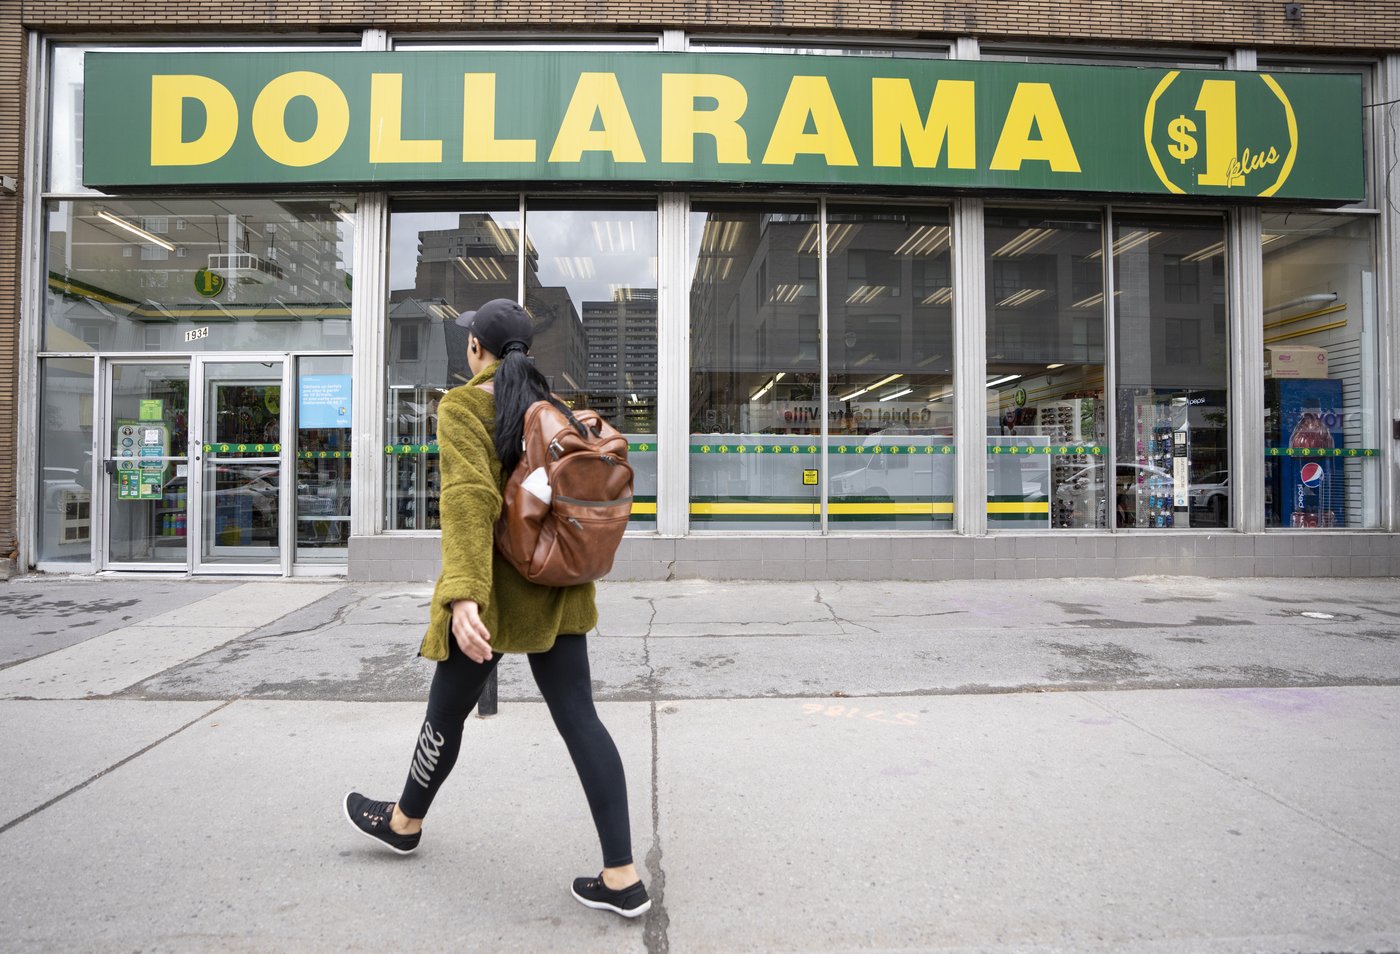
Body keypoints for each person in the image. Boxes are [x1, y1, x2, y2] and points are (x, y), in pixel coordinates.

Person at [343, 298, 650, 919]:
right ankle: (622, 876)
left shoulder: (463, 406)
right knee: (581, 720)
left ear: (475, 348)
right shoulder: (555, 408)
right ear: (527, 353)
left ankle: (403, 822)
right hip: (559, 591)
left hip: (493, 598)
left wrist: (463, 596)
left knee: (444, 714)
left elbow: (468, 500)